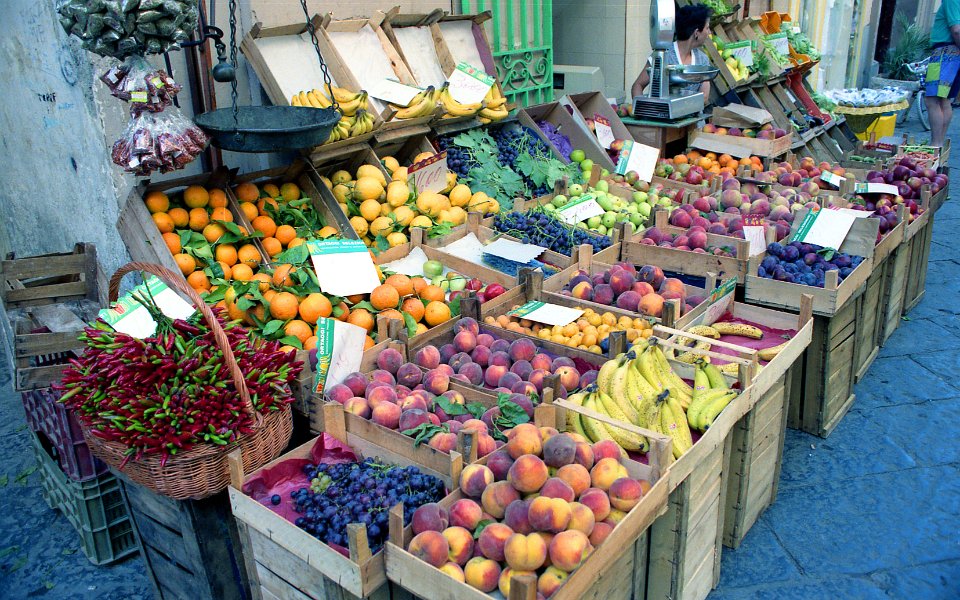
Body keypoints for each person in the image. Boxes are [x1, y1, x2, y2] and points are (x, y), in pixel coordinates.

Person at [632, 3, 713, 99]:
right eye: (707, 28)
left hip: (692, 109)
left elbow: (704, 97)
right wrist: (642, 106)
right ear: (696, 33)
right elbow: (637, 85)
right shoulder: (663, 55)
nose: (709, 32)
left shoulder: (702, 60)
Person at [925, 0, 960, 146]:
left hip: (945, 54)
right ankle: (938, 146)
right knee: (944, 101)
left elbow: (957, 30)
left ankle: (935, 145)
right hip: (952, 54)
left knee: (932, 100)